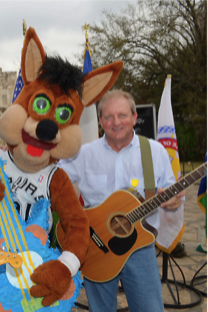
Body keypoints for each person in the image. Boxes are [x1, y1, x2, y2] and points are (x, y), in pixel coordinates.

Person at [58, 90, 185, 312]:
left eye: (122, 115)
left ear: (134, 118)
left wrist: (174, 202)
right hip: (96, 243)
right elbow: (55, 182)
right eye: (108, 117)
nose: (115, 122)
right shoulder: (84, 153)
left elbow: (171, 191)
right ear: (100, 121)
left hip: (140, 246)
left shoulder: (156, 152)